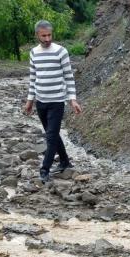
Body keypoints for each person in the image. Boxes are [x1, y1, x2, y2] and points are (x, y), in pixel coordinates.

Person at [23, 20, 83, 183]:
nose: (47, 38)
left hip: (57, 101)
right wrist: (30, 101)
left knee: (50, 137)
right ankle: (64, 162)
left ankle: (44, 170)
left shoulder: (61, 51)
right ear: (37, 35)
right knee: (54, 135)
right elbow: (33, 78)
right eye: (44, 36)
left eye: (49, 35)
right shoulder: (34, 53)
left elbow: (69, 77)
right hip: (41, 101)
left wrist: (72, 99)